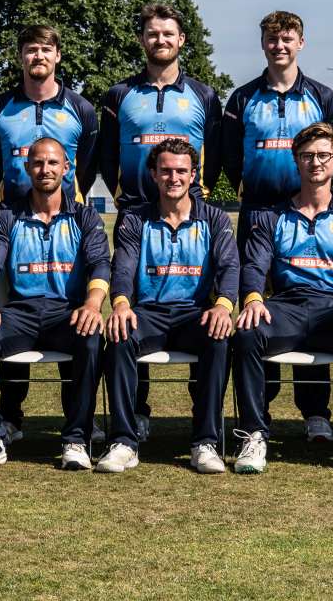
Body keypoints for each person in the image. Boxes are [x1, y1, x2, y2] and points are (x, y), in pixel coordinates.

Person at [233, 123, 333, 476]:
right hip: (285, 306)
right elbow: (254, 266)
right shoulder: (271, 216)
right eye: (307, 156)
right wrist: (254, 298)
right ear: (296, 161)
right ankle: (255, 435)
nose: (315, 162)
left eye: (323, 155)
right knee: (246, 333)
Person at [100, 2, 223, 438]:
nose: (161, 40)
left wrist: (199, 196)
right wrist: (123, 197)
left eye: (168, 34)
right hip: (136, 213)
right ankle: (137, 411)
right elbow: (107, 155)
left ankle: (201, 419)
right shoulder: (119, 95)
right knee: (133, 306)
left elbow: (220, 154)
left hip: (191, 214)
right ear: (142, 40)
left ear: (181, 40)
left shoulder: (204, 95)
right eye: (153, 34)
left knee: (199, 307)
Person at [222, 10, 333, 442]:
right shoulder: (242, 98)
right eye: (272, 39)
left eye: (288, 38)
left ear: (301, 43)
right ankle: (261, 413)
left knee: (316, 299)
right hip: (258, 214)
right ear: (263, 45)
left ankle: (315, 413)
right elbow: (230, 158)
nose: (280, 46)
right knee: (258, 309)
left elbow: (332, 148)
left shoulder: (322, 96)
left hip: (308, 214)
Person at [0, 24, 99, 443]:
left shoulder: (81, 109)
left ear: (57, 56)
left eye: (46, 50)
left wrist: (65, 193)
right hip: (15, 220)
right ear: (21, 57)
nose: (38, 58)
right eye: (30, 50)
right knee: (13, 311)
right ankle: (9, 417)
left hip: (66, 218)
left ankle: (78, 421)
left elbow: (87, 163)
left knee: (72, 305)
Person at [0, 138, 108, 471]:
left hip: (67, 313)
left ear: (66, 168)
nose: (46, 170)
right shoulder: (8, 216)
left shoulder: (85, 217)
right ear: (27, 168)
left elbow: (101, 262)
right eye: (39, 163)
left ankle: (76, 438)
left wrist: (92, 303)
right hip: (21, 313)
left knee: (91, 337)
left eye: (53, 163)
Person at [98, 139, 237, 474]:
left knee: (218, 339)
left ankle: (205, 442)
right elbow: (124, 269)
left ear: (193, 176)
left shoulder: (215, 219)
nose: (173, 178)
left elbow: (230, 267)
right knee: (118, 337)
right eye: (166, 171)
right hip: (148, 314)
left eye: (181, 171)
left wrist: (222, 306)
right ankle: (123, 442)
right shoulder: (134, 219)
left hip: (194, 313)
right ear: (153, 174)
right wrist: (120, 304)